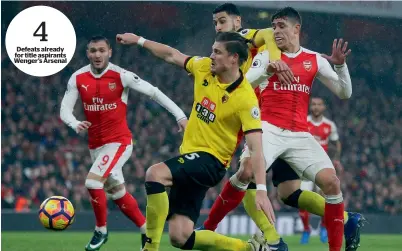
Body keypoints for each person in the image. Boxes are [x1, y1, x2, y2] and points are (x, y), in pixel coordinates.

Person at [201, 6, 365, 251]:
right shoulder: (268, 56)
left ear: (296, 29)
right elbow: (241, 83)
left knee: (331, 183)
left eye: (281, 26)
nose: (276, 31)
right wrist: (267, 69)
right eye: (274, 27)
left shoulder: (313, 59)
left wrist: (341, 66)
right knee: (246, 171)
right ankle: (208, 227)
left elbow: (345, 93)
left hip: (300, 134)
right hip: (269, 128)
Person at [116, 31, 274, 251]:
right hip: (191, 157)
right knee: (181, 237)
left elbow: (256, 148)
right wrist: (140, 41)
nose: (211, 56)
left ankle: (149, 248)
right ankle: (249, 248)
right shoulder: (203, 69)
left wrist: (262, 190)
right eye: (212, 50)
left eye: (217, 52)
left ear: (233, 59)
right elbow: (172, 55)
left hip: (212, 162)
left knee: (155, 174)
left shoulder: (246, 99)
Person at [60, 35, 188, 251]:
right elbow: (65, 108)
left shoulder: (122, 76)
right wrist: (74, 123)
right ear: (87, 53)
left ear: (110, 52)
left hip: (119, 142)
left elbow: (154, 92)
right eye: (93, 51)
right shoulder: (78, 78)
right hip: (96, 146)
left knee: (92, 183)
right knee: (117, 192)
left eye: (101, 50)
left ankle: (101, 230)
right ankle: (146, 231)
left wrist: (179, 115)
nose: (97, 55)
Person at [299, 97, 343, 244]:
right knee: (303, 201)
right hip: (305, 166)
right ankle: (306, 230)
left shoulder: (329, 125)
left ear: (323, 107)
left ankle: (324, 227)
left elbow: (336, 143)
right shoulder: (303, 121)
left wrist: (336, 159)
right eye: (313, 104)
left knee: (325, 199)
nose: (316, 107)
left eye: (319, 105)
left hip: (322, 167)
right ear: (310, 106)